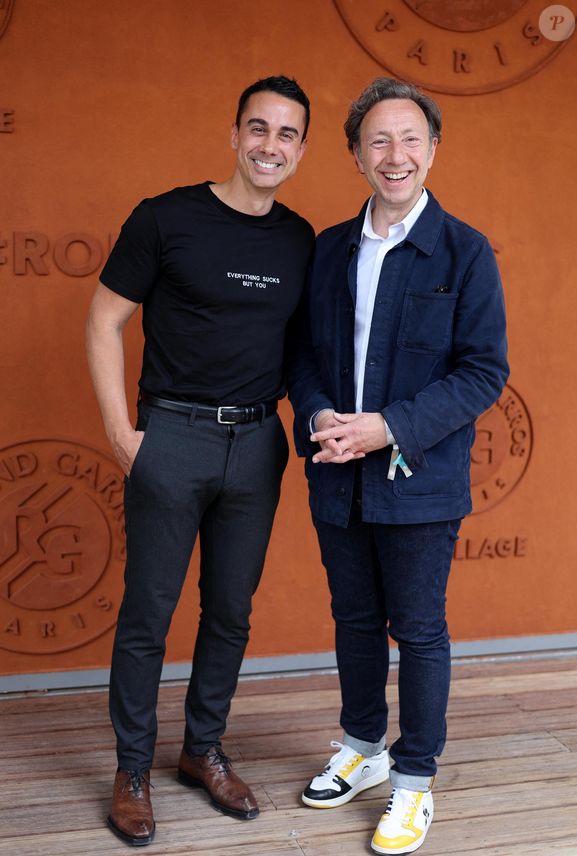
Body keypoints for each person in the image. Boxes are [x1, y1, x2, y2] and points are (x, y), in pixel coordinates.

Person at [86, 75, 313, 847]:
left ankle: (203, 751)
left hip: (256, 443)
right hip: (172, 436)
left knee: (230, 611)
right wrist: (123, 433)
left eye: (287, 134)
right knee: (148, 613)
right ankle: (133, 768)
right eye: (259, 128)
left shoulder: (298, 238)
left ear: (302, 149)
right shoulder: (166, 217)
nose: (270, 145)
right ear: (234, 134)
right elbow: (103, 321)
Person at [287, 77, 508, 855]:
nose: (396, 155)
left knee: (417, 632)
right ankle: (363, 747)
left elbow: (485, 371)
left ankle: (413, 782)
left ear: (433, 150)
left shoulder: (464, 251)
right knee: (352, 622)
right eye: (378, 140)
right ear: (355, 154)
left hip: (419, 479)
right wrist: (319, 418)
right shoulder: (330, 250)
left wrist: (388, 428)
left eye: (411, 139)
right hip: (335, 473)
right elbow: (306, 356)